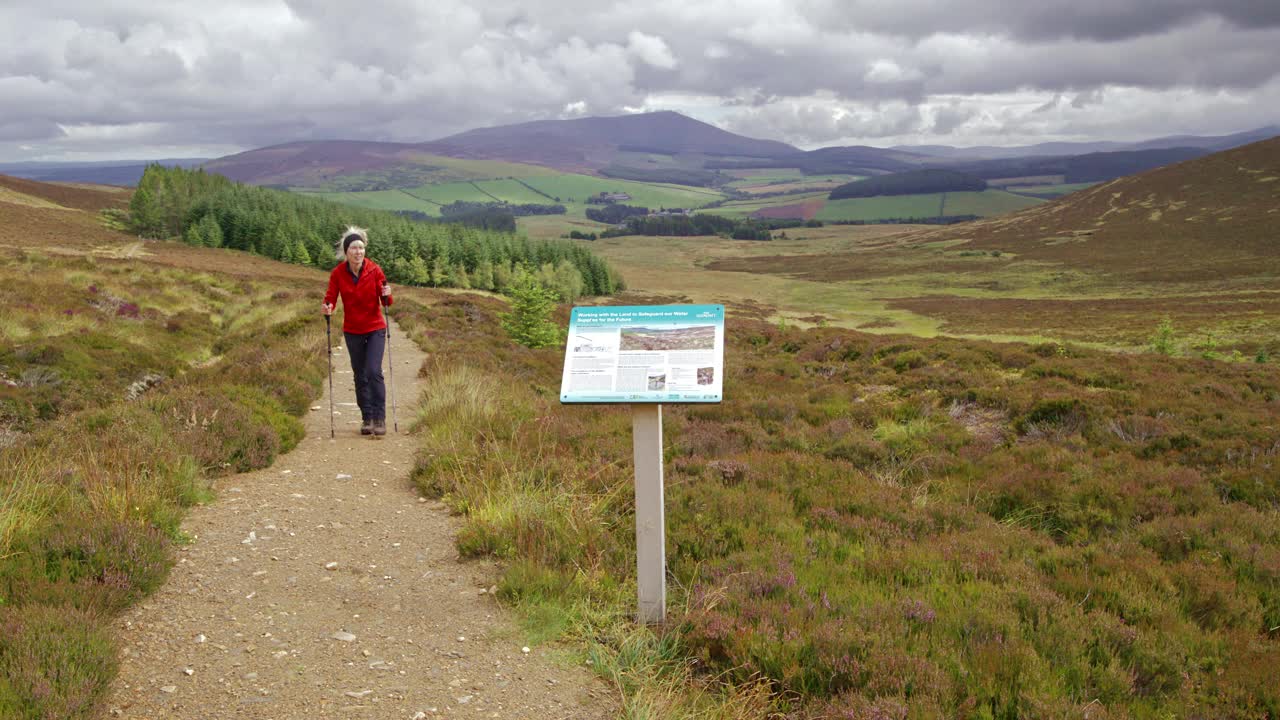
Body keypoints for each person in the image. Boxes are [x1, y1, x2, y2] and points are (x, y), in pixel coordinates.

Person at [322, 226, 393, 436]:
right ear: (347, 251)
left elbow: (386, 301)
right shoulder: (338, 274)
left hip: (375, 328)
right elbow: (330, 298)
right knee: (359, 375)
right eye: (354, 248)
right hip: (352, 330)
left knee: (373, 371)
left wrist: (388, 294)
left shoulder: (375, 270)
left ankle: (380, 418)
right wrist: (327, 308)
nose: (358, 252)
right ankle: (367, 418)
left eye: (361, 248)